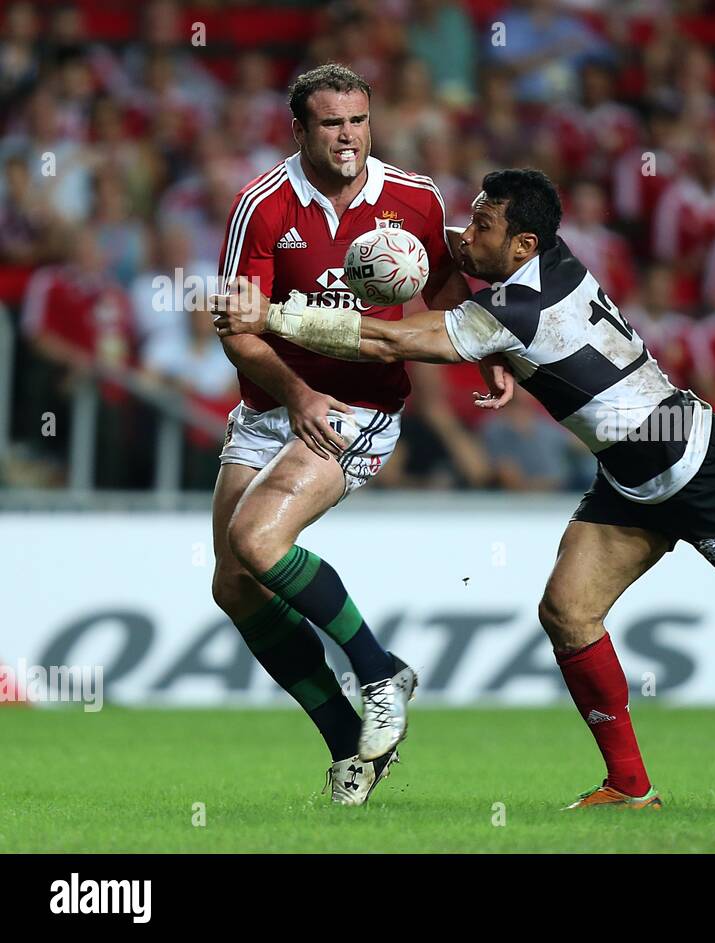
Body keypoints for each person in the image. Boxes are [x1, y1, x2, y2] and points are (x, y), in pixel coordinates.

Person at [215, 168, 715, 810]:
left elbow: (392, 340)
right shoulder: (546, 268)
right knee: (568, 611)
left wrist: (274, 314)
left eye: (486, 225)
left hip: (691, 462)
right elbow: (455, 305)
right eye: (471, 215)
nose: (467, 233)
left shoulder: (516, 309)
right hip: (632, 473)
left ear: (523, 247)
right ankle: (630, 787)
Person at [208, 64, 498, 805]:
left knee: (260, 542)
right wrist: (296, 391)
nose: (349, 136)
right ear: (299, 129)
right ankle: (350, 748)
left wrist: (486, 349)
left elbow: (440, 289)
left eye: (359, 120)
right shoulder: (262, 206)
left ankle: (378, 670)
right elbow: (237, 332)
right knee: (236, 586)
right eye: (333, 123)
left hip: (360, 405)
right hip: (273, 405)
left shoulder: (415, 199)